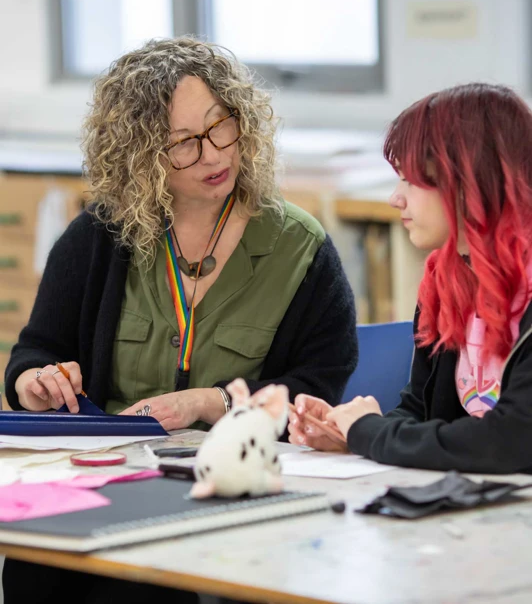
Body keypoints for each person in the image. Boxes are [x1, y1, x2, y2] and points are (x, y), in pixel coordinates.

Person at [3, 37, 357, 603]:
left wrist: (209, 402)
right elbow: (34, 351)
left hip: (234, 487)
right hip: (109, 482)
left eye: (222, 126)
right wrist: (36, 383)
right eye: (183, 144)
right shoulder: (99, 236)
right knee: (33, 568)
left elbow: (319, 384)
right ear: (139, 155)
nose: (214, 154)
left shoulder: (300, 249)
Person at [289, 82, 532, 475]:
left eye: (411, 180)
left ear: (468, 184)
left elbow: (512, 442)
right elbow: (420, 412)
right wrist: (349, 435)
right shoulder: (448, 281)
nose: (395, 198)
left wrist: (371, 433)